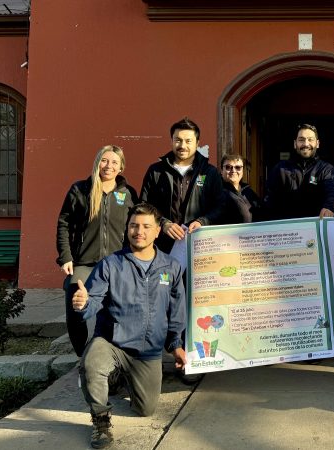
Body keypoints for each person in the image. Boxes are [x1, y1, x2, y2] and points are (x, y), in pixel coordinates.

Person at [72, 203, 187, 449]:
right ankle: (101, 421)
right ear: (127, 229)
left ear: (158, 231)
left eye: (146, 226)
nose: (139, 231)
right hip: (113, 342)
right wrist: (83, 305)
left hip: (147, 351)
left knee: (146, 409)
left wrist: (176, 344)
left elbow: (177, 311)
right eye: (134, 225)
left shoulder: (171, 267)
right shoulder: (111, 264)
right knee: (92, 363)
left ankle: (122, 377)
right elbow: (92, 300)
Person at [56, 144, 137, 357]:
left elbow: (136, 228)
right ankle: (82, 355)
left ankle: (112, 354)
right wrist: (66, 256)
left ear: (121, 168)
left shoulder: (128, 194)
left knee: (116, 311)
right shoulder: (80, 190)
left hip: (117, 263)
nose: (108, 166)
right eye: (104, 160)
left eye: (114, 162)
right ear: (97, 163)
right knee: (75, 308)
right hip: (84, 262)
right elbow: (64, 223)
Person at [140, 117, 225, 254]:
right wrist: (163, 223)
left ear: (197, 143)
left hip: (199, 246)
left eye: (188, 141)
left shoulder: (210, 172)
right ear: (172, 141)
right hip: (162, 247)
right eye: (178, 140)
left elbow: (221, 206)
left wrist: (202, 222)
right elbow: (144, 205)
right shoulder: (156, 171)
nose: (182, 145)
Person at [264, 123, 334, 220]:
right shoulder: (280, 169)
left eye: (310, 139)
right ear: (295, 144)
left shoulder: (327, 169)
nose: (306, 144)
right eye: (301, 140)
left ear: (317, 143)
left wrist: (329, 207)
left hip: (315, 228)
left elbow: (332, 193)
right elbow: (269, 200)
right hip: (287, 230)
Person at [220, 154, 263, 223]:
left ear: (242, 171)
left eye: (238, 167)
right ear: (221, 171)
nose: (233, 170)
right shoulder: (216, 192)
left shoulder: (248, 191)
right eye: (228, 167)